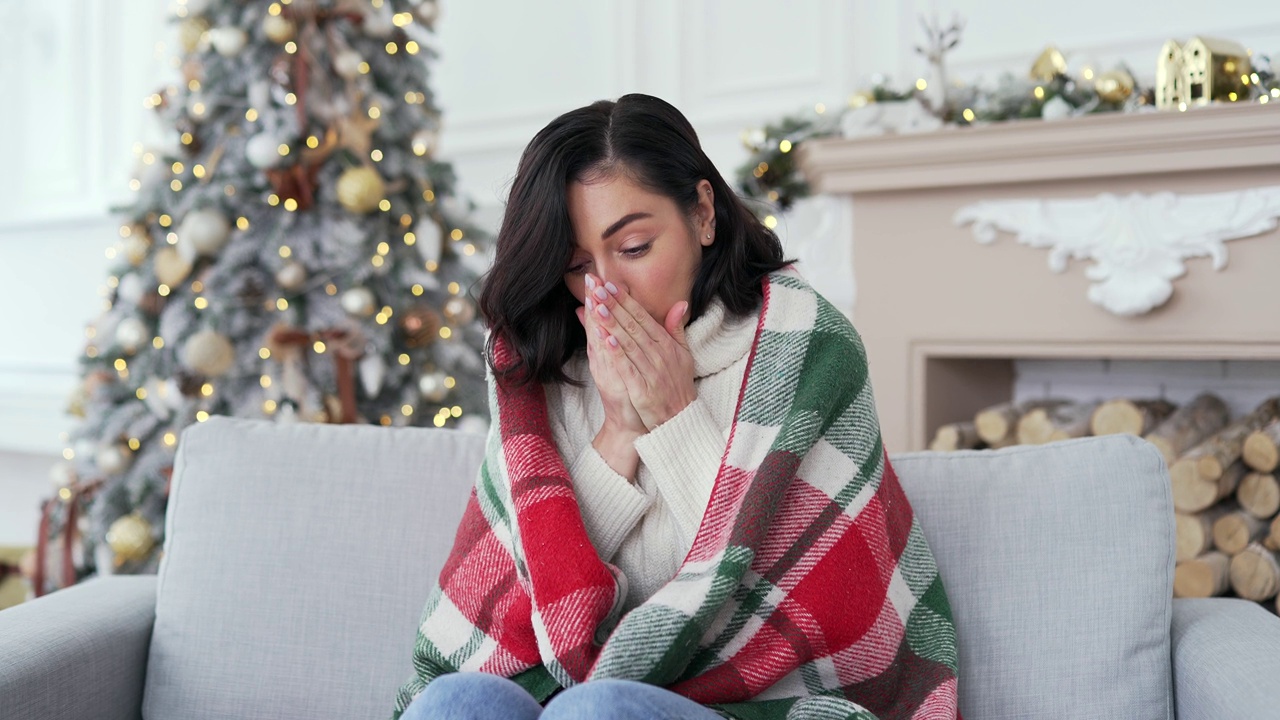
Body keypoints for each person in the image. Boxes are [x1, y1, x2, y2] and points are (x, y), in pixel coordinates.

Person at [392, 94, 959, 720]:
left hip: (766, 706)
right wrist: (620, 433)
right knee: (458, 701)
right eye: (577, 266)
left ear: (704, 215)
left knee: (597, 711)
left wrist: (677, 419)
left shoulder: (802, 347)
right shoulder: (542, 366)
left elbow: (799, 597)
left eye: (633, 246)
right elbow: (523, 602)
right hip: (565, 695)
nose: (606, 289)